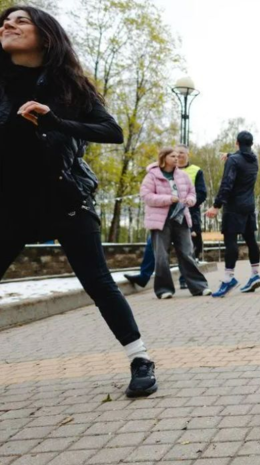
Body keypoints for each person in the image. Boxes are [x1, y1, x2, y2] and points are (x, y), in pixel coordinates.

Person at [0, 6, 157, 397]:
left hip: (65, 198)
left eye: (21, 21)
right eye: (5, 21)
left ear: (46, 35)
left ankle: (140, 359)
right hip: (11, 203)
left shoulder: (68, 85)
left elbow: (112, 131)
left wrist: (56, 122)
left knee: (99, 283)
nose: (7, 24)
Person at [125, 145, 207, 290]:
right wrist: (169, 199)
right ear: (164, 158)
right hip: (160, 221)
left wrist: (190, 200)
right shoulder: (152, 175)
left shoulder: (183, 175)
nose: (177, 159)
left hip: (181, 219)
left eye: (178, 155)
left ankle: (199, 287)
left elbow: (192, 192)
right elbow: (147, 196)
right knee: (161, 257)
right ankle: (164, 289)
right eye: (173, 156)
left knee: (187, 254)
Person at [206, 131, 260, 296]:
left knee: (231, 242)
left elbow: (227, 183)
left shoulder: (234, 160)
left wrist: (216, 206)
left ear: (236, 142)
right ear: (251, 144)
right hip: (249, 206)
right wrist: (231, 155)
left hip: (234, 207)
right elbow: (243, 159)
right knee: (251, 240)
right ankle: (255, 274)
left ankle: (228, 278)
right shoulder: (254, 160)